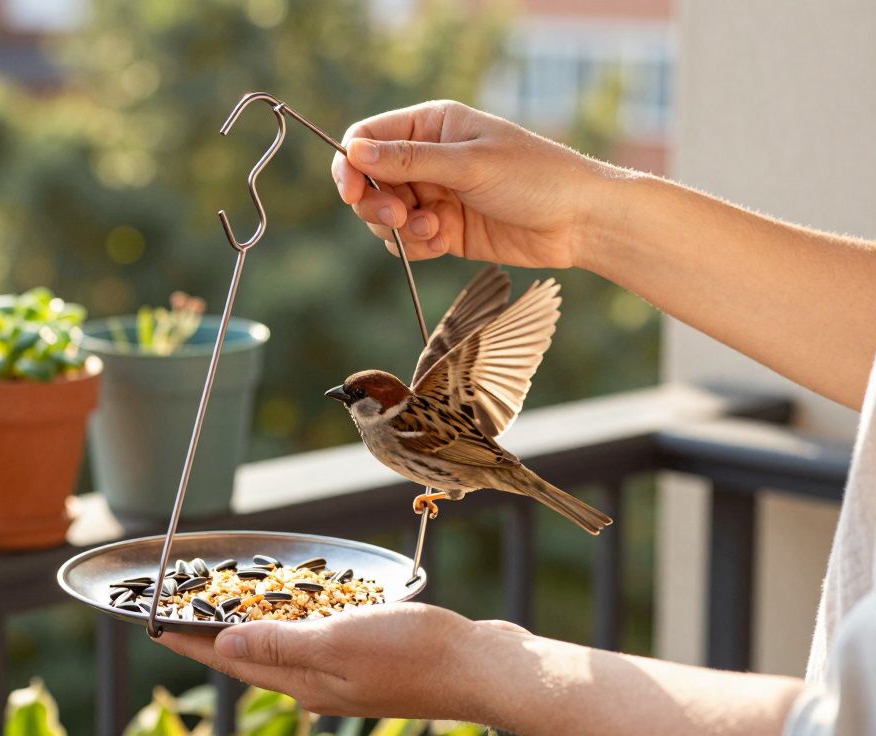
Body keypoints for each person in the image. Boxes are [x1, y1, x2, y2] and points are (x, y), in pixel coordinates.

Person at [157, 101, 876, 734]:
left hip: (477, 464)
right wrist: (578, 215)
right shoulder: (422, 394)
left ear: (381, 404)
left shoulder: (402, 425)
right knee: (445, 354)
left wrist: (470, 667)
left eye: (358, 398)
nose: (352, 404)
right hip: (480, 457)